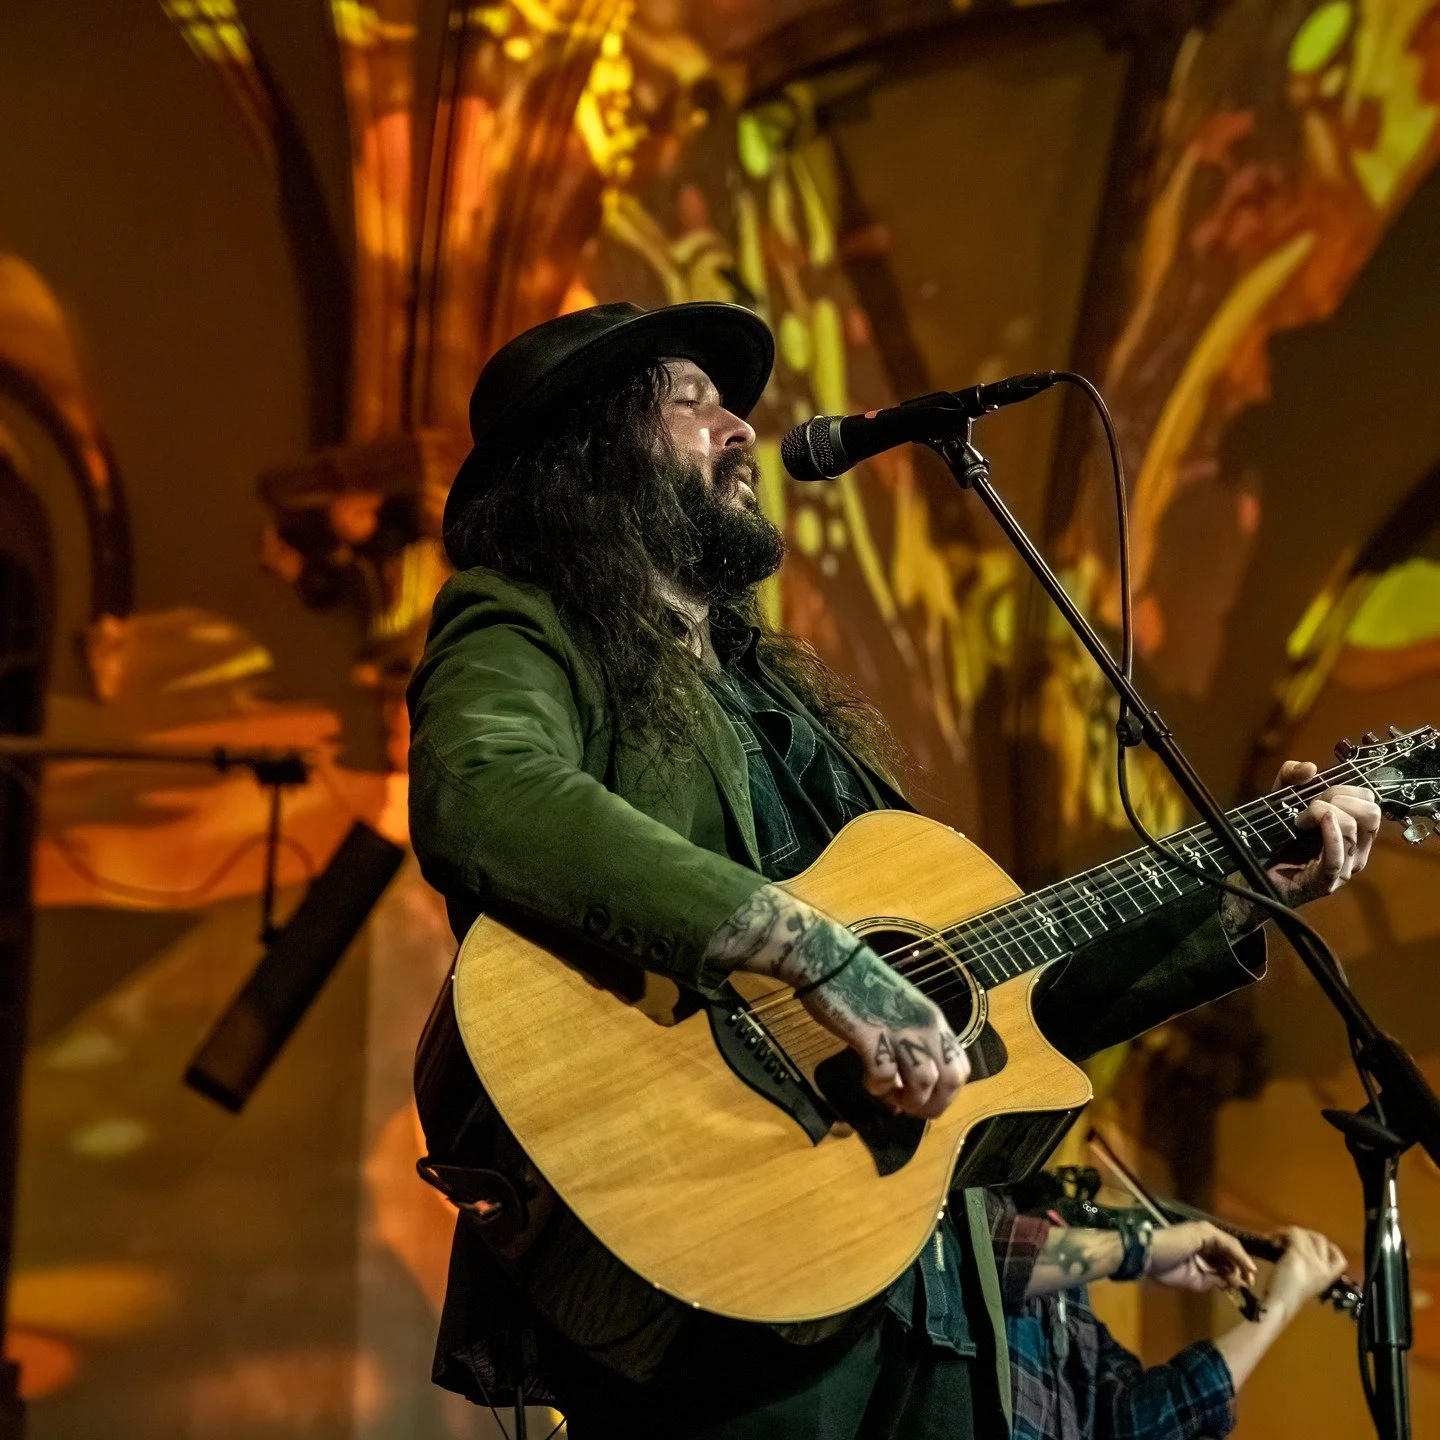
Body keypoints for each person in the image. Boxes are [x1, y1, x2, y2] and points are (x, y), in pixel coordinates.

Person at [406, 300, 1381, 1439]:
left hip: (926, 1288)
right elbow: (485, 791)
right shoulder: (525, 626)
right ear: (589, 458)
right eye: (692, 408)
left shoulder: (786, 702)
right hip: (727, 1251)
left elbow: (1021, 992)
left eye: (733, 410)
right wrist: (809, 951)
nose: (740, 432)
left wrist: (1252, 881)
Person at [987, 1190, 1348, 1439]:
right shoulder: (978, 1204)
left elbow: (1133, 1426)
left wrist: (1281, 1308)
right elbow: (984, 1261)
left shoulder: (1075, 1317)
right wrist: (1143, 1248)